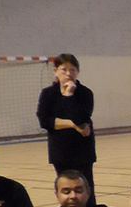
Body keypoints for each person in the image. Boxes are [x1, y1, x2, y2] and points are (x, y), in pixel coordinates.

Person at [36, 53, 97, 197]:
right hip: (60, 152)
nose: (68, 74)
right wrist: (74, 126)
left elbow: (81, 118)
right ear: (55, 70)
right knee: (65, 190)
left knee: (86, 191)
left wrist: (69, 95)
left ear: (78, 72)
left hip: (83, 152)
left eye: (72, 70)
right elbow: (45, 121)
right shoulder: (48, 94)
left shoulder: (85, 93)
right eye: (64, 69)